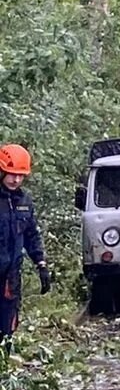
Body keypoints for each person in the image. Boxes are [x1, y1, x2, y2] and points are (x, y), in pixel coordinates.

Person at [0, 145, 50, 343]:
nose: (16, 180)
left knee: (7, 325)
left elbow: (31, 234)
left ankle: (4, 363)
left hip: (11, 275)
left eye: (21, 176)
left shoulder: (24, 200)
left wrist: (41, 264)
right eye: (12, 175)